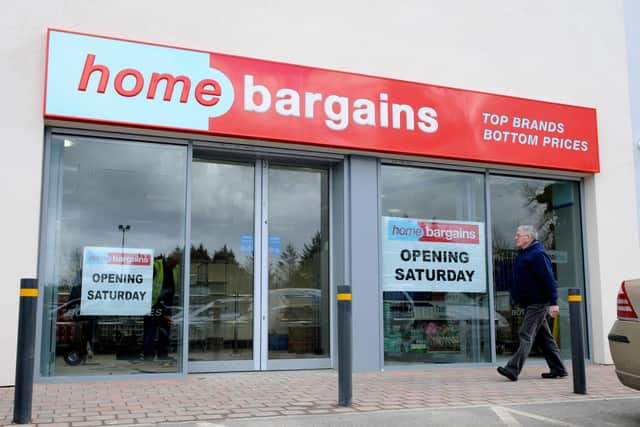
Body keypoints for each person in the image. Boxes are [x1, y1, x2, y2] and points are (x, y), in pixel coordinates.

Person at [497, 225, 568, 381]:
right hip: (530, 302)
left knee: (525, 334)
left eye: (518, 235)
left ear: (528, 238)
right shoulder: (524, 253)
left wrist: (554, 303)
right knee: (544, 337)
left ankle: (512, 369)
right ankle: (558, 369)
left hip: (538, 302)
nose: (515, 237)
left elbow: (549, 280)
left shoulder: (538, 255)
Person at [143, 253, 180, 361]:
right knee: (150, 330)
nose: (176, 264)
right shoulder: (157, 265)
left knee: (165, 330)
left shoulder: (176, 268)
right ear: (169, 259)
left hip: (167, 305)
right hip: (153, 304)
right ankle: (148, 355)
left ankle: (162, 354)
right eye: (175, 262)